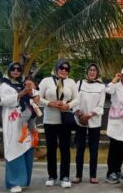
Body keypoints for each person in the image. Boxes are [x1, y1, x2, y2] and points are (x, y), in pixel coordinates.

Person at [39, 59, 80, 188]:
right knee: (51, 148)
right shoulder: (46, 81)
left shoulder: (71, 82)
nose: (64, 70)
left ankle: (65, 176)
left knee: (65, 149)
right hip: (50, 120)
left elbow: (77, 98)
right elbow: (37, 97)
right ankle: (52, 175)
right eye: (61, 67)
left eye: (67, 69)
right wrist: (49, 103)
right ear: (56, 68)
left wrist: (68, 105)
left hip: (65, 120)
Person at [0, 62, 38, 193]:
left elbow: (34, 96)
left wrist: (34, 96)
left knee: (27, 146)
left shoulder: (23, 84)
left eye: (18, 69)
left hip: (26, 119)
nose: (16, 71)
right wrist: (21, 94)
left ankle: (24, 180)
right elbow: (5, 101)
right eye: (13, 69)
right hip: (12, 119)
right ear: (9, 70)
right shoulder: (4, 85)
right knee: (14, 148)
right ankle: (14, 182)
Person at [72, 63, 105, 184]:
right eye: (90, 70)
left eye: (94, 70)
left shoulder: (101, 87)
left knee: (94, 150)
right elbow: (74, 101)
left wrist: (89, 115)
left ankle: (93, 175)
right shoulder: (80, 83)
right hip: (80, 121)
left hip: (94, 122)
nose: (92, 72)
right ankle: (78, 175)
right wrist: (80, 115)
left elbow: (101, 106)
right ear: (87, 72)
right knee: (79, 149)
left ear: (97, 73)